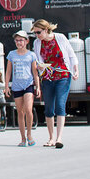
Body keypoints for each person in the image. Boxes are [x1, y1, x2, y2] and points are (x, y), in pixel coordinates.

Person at [31, 19, 78, 148]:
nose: (37, 35)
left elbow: (71, 54)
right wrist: (39, 66)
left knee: (60, 105)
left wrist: (76, 69)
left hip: (62, 75)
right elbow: (37, 59)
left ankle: (59, 138)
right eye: (35, 33)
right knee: (48, 108)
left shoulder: (60, 38)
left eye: (38, 32)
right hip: (47, 77)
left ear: (46, 30)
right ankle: (51, 138)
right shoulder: (37, 43)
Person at [6, 30, 40, 146]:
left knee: (28, 110)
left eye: (21, 40)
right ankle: (23, 138)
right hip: (16, 86)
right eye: (17, 40)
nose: (19, 42)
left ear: (26, 41)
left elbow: (35, 73)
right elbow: (8, 71)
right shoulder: (11, 54)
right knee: (20, 112)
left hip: (28, 84)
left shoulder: (31, 55)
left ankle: (29, 134)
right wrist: (6, 86)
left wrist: (38, 87)